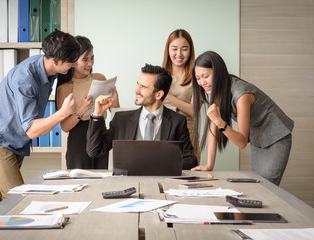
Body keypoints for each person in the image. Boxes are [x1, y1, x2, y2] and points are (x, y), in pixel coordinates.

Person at [0, 30, 81, 207]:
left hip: (16, 137)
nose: (73, 65)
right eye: (71, 62)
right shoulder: (25, 78)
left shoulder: (50, 68)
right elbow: (32, 130)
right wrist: (63, 113)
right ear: (55, 61)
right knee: (18, 200)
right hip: (0, 137)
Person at [191, 51, 294, 185]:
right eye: (198, 78)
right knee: (258, 184)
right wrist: (209, 165)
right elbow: (213, 127)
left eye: (206, 76)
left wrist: (219, 121)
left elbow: (241, 142)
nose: (202, 82)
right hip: (259, 137)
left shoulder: (241, 95)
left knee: (268, 186)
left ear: (218, 72)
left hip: (277, 136)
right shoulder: (218, 90)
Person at [86, 64, 198, 170]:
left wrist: (161, 165)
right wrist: (97, 115)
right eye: (137, 84)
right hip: (128, 184)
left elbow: (190, 160)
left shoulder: (177, 121)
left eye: (143, 87)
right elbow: (94, 151)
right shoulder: (121, 119)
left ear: (158, 94)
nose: (136, 90)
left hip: (161, 184)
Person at [56, 35, 120, 169]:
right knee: (81, 182)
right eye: (85, 59)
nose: (90, 64)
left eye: (92, 58)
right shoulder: (65, 88)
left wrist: (115, 99)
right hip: (79, 139)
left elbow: (114, 113)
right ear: (73, 61)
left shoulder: (99, 78)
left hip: (100, 133)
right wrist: (82, 109)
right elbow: (65, 127)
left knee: (102, 181)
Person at [162, 29, 201, 162]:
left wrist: (166, 94)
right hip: (162, 131)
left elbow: (193, 111)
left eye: (184, 49)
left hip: (187, 132)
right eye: (174, 49)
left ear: (190, 51)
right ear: (168, 50)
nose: (179, 54)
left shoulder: (196, 76)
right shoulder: (160, 75)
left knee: (188, 175)